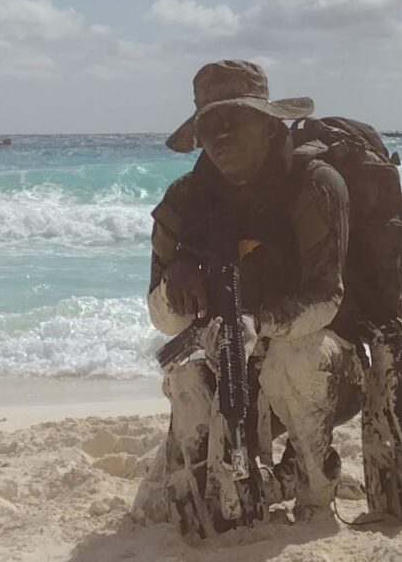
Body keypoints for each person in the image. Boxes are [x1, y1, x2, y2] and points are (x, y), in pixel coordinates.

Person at [133, 60, 363, 533]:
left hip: (323, 367)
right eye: (208, 125)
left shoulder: (314, 184)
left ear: (266, 123)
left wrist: (260, 324)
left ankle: (315, 489)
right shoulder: (184, 199)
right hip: (230, 363)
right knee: (155, 508)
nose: (219, 136)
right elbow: (162, 319)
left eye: (232, 120)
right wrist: (176, 286)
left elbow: (327, 297)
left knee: (293, 360)